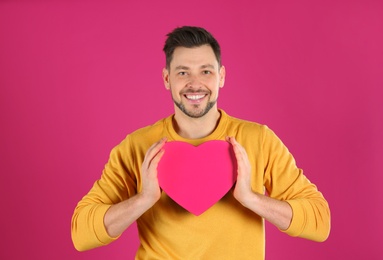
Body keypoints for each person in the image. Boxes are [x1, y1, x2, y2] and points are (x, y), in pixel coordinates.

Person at [71, 26, 331, 259]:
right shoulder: (137, 146)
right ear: (166, 79)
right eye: (183, 72)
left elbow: (319, 223)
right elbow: (81, 236)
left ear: (221, 76)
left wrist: (250, 198)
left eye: (205, 71)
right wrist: (144, 199)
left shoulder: (258, 139)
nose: (195, 83)